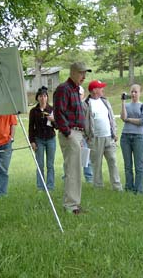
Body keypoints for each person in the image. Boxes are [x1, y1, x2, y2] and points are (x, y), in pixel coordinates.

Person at [53, 62, 91, 214]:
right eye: (81, 73)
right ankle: (70, 206)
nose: (84, 76)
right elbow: (59, 113)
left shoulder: (75, 90)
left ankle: (74, 203)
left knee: (76, 169)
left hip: (78, 133)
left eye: (85, 73)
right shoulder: (64, 89)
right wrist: (68, 133)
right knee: (72, 169)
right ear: (73, 72)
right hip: (70, 133)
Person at [84, 80, 122, 191]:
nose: (103, 89)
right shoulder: (86, 104)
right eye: (100, 88)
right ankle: (98, 187)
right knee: (97, 164)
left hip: (109, 137)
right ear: (94, 90)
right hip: (95, 138)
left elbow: (111, 117)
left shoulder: (105, 101)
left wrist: (114, 132)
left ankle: (117, 187)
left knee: (113, 160)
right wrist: (86, 137)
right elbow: (83, 122)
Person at [120, 84, 143, 194]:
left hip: (138, 137)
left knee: (138, 165)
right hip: (125, 137)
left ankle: (139, 189)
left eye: (136, 92)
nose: (133, 94)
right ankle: (128, 187)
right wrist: (122, 102)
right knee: (127, 165)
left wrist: (129, 119)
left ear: (140, 93)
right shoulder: (126, 105)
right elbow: (123, 117)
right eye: (132, 91)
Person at [29, 86, 56, 191]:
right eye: (40, 96)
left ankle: (50, 186)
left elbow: (57, 126)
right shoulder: (33, 111)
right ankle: (40, 187)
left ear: (47, 97)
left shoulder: (52, 109)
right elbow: (31, 127)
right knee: (40, 164)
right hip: (39, 139)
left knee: (50, 164)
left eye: (45, 96)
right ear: (37, 98)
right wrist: (32, 141)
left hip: (50, 139)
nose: (43, 98)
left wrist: (53, 120)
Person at [79, 86, 94, 183]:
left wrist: (87, 135)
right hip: (75, 135)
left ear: (83, 94)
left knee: (86, 157)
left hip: (85, 135)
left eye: (80, 94)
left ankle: (89, 178)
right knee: (70, 158)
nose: (78, 96)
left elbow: (88, 122)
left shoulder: (85, 105)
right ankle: (67, 178)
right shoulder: (72, 106)